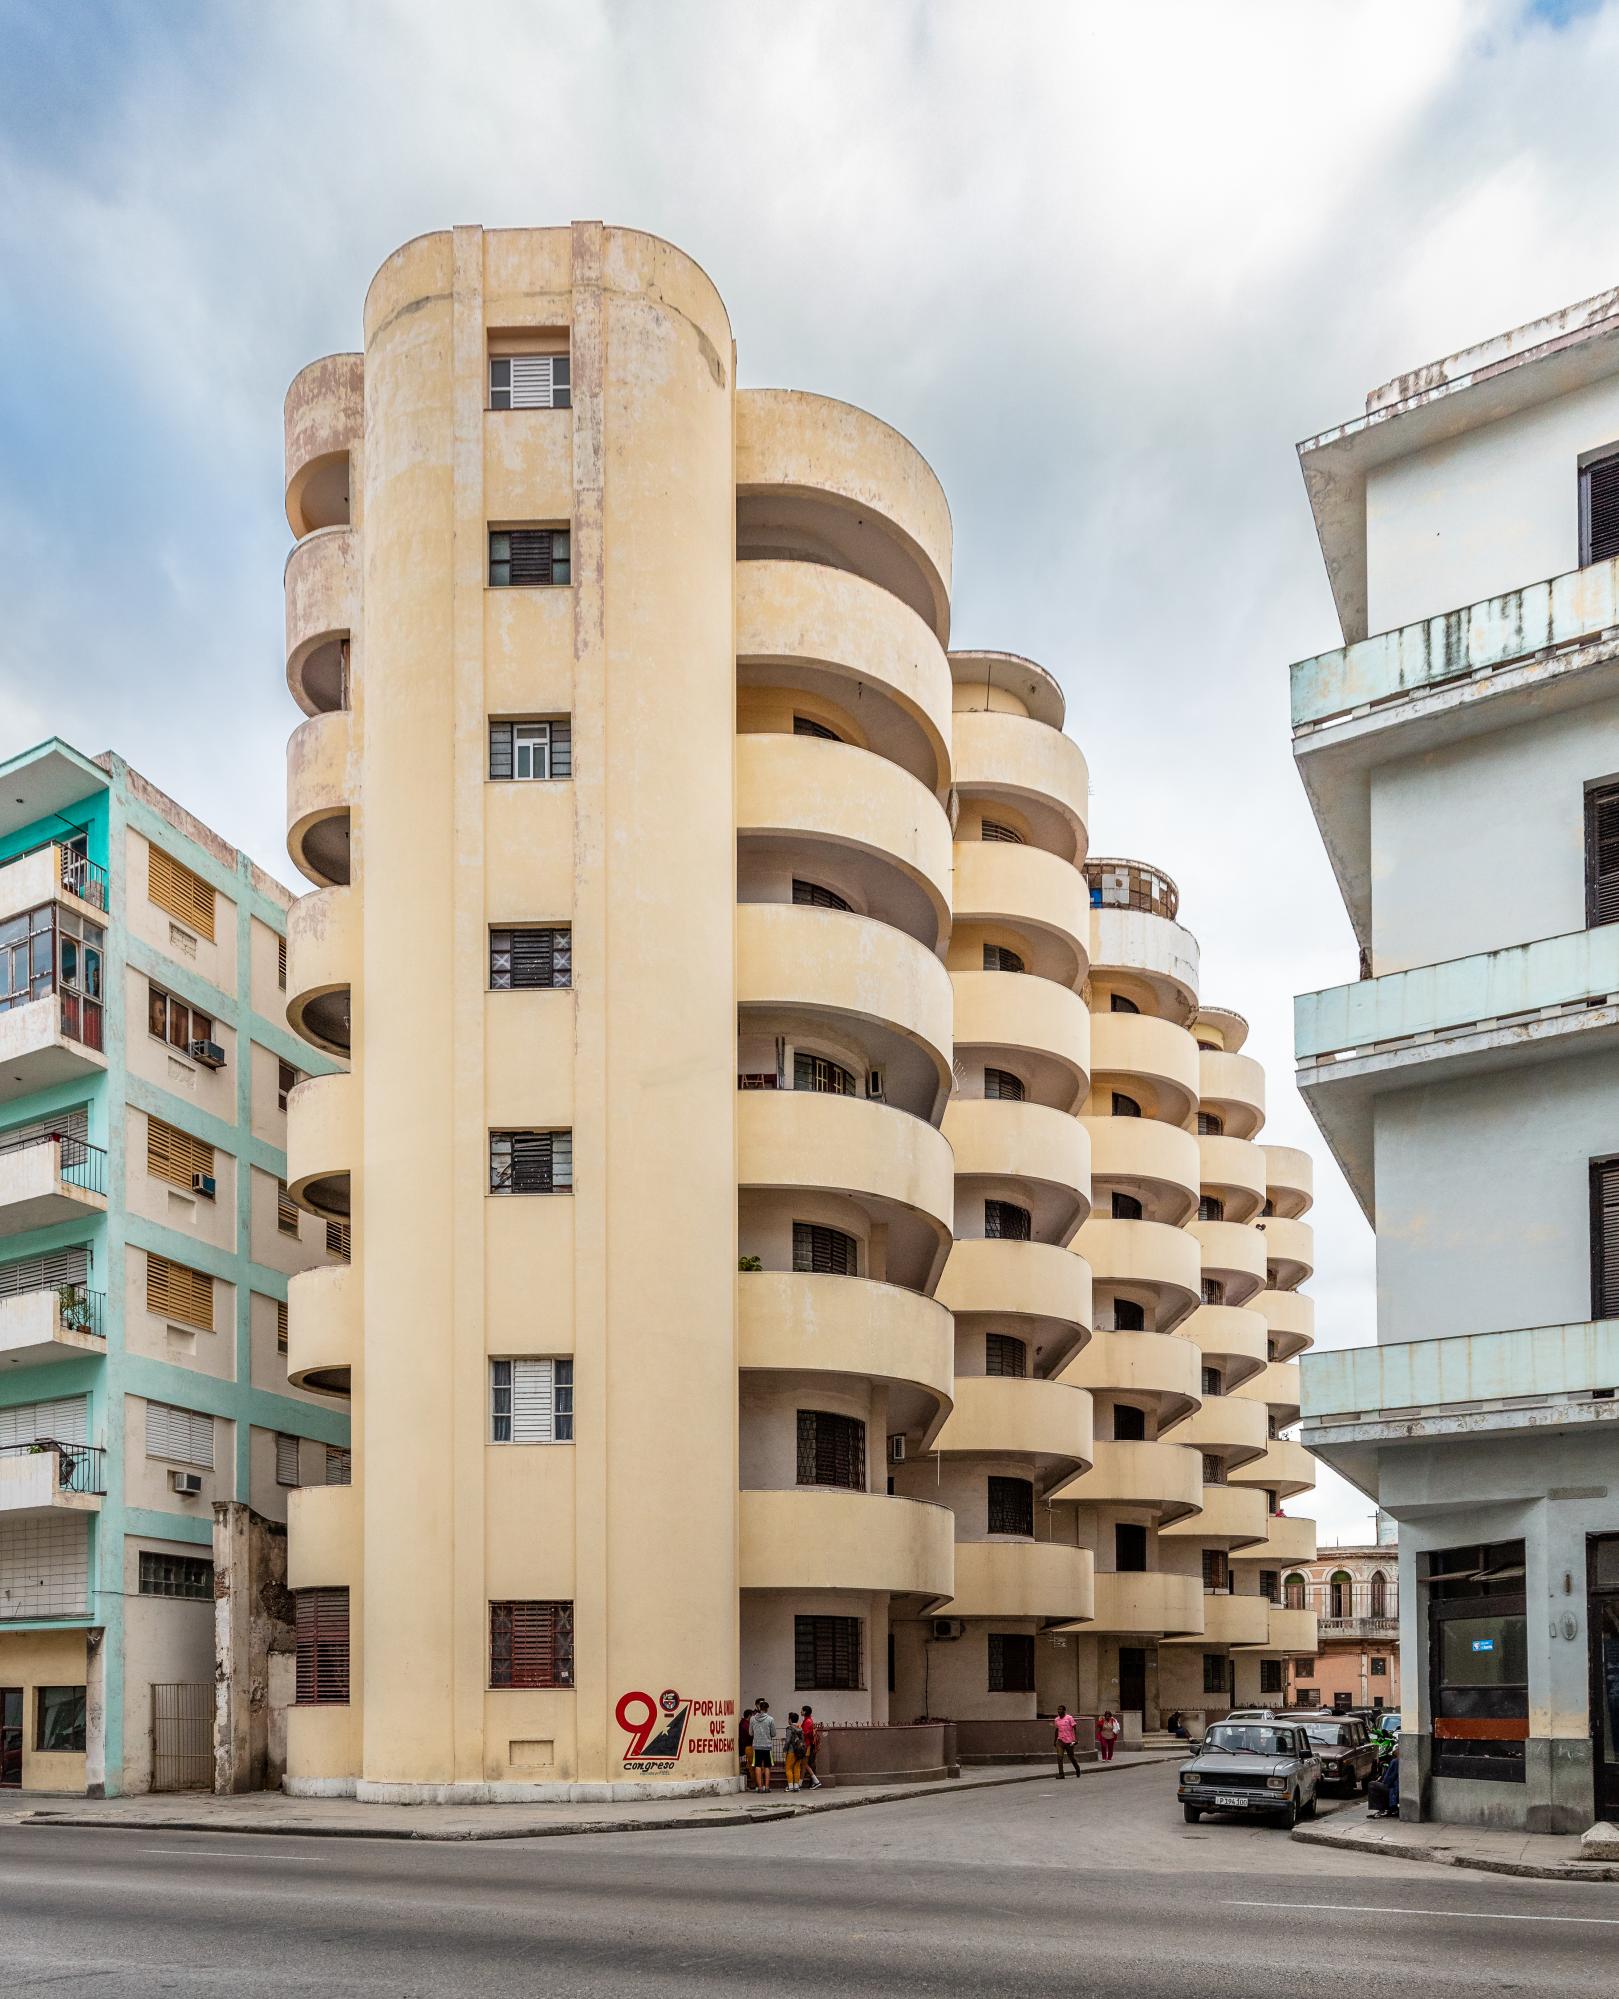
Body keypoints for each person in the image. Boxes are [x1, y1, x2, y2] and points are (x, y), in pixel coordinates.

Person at [748, 1698, 776, 1793]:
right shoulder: (770, 1719)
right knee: (767, 1766)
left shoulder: (752, 1719)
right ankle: (767, 1787)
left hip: (756, 1746)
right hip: (767, 1746)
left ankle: (759, 1788)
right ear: (767, 1709)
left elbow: (750, 1733)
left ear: (759, 1707)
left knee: (757, 1766)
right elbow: (773, 1733)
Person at [1053, 1704, 1083, 1780]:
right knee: (1059, 1757)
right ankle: (1061, 1774)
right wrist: (1055, 1740)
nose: (1059, 1711)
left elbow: (1075, 1728)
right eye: (1058, 1709)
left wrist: (1076, 1739)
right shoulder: (1056, 1720)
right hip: (1060, 1741)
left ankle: (1077, 1769)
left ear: (1064, 1710)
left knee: (1071, 1757)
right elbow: (1057, 1730)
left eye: (1060, 1709)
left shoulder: (1069, 1718)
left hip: (1069, 1741)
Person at [800, 1704, 823, 1789]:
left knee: (805, 1764)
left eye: (802, 1710)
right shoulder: (808, 1720)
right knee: (804, 1764)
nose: (800, 1712)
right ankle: (800, 1783)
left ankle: (816, 1781)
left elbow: (805, 1734)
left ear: (805, 1711)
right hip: (808, 1744)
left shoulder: (807, 1721)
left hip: (806, 1745)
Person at [783, 1711, 807, 1791]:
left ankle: (790, 1786)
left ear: (790, 1719)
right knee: (797, 1768)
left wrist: (784, 1750)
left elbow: (788, 1740)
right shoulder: (800, 1728)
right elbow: (802, 1739)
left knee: (788, 1768)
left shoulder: (789, 1728)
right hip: (799, 1751)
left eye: (788, 1718)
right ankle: (796, 1786)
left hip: (791, 1751)